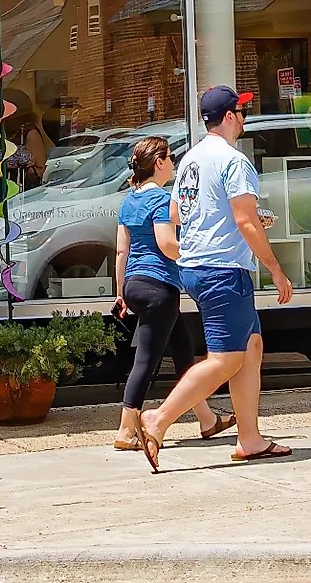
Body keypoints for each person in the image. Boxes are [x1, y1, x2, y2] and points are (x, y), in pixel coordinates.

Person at [139, 85, 296, 469]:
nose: (244, 117)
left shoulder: (191, 159)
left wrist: (226, 219)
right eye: (241, 111)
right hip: (222, 269)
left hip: (196, 266)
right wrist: (275, 268)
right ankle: (158, 419)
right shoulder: (233, 160)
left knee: (251, 347)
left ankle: (250, 439)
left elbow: (178, 213)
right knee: (226, 359)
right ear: (229, 117)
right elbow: (243, 219)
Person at [111, 135, 231, 451]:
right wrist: (198, 253)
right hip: (159, 288)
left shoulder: (128, 201)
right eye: (170, 157)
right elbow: (167, 244)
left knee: (182, 348)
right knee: (146, 361)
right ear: (159, 164)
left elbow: (121, 252)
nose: (174, 163)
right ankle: (126, 429)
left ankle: (207, 419)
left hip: (136, 285)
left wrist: (121, 293)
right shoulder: (161, 200)